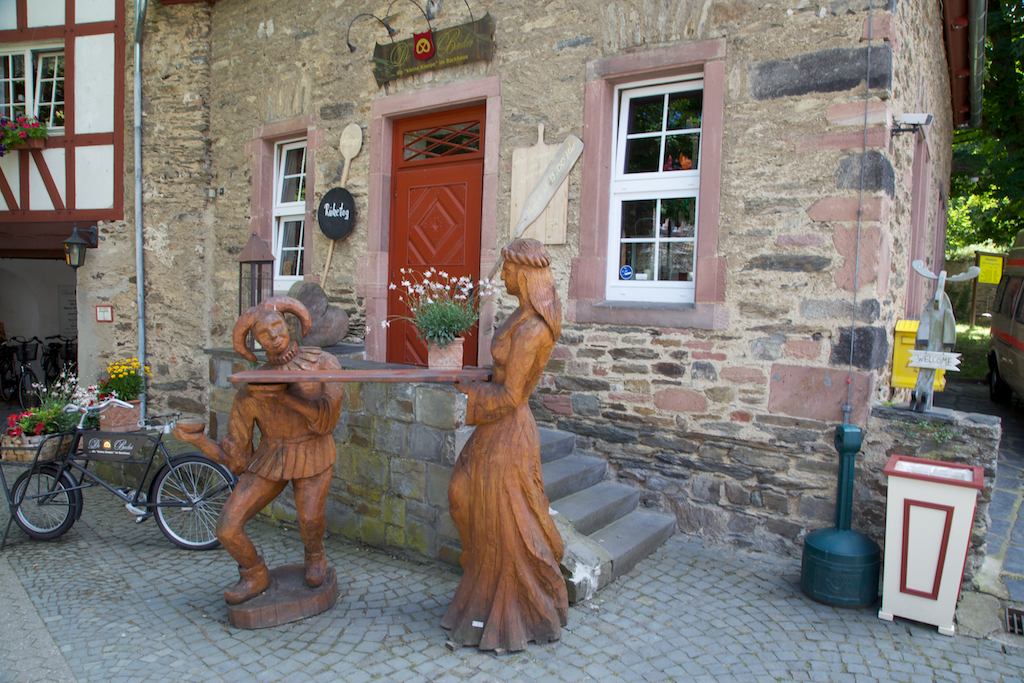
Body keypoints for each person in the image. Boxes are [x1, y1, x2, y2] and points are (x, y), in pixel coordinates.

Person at [441, 238, 568, 651]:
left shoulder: (533, 330)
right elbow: (502, 373)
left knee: (504, 520)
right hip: (495, 426)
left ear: (526, 274)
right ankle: (479, 577)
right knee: (461, 496)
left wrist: (469, 396)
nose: (505, 275)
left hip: (508, 430)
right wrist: (475, 376)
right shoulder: (520, 315)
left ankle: (510, 608)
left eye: (510, 269)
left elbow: (512, 396)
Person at [173, 296, 343, 604]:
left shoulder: (324, 363)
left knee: (310, 520)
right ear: (257, 342)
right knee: (227, 527)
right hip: (271, 457)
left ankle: (315, 554)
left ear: (288, 324)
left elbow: (327, 423)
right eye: (265, 333)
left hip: (313, 451)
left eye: (277, 326)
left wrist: (285, 398)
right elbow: (238, 460)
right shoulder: (251, 389)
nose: (274, 336)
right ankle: (254, 573)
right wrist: (198, 441)